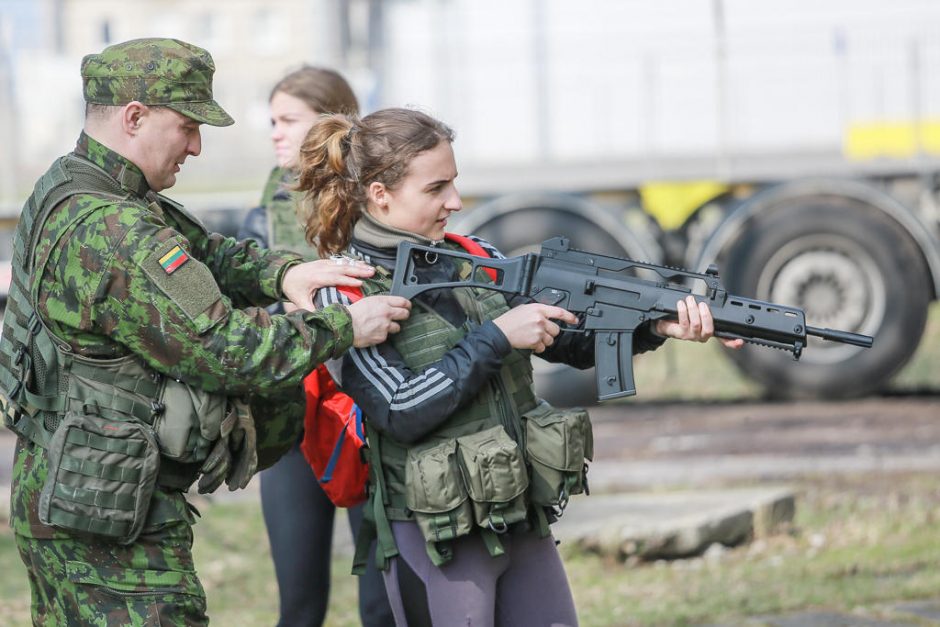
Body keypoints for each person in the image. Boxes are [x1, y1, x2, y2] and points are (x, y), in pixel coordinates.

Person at [0, 38, 411, 626]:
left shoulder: (73, 184)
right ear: (134, 116)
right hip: (107, 522)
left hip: (62, 482)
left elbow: (202, 252)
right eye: (187, 125)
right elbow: (228, 351)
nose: (196, 145)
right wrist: (345, 325)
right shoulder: (116, 228)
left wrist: (286, 271)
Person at [295, 107, 744, 626]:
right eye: (436, 188)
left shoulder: (475, 255)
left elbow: (566, 339)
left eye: (454, 183)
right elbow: (399, 409)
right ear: (380, 194)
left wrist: (653, 327)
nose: (455, 202)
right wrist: (498, 338)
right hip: (437, 538)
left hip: (520, 518)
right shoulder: (343, 292)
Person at [238, 66, 393, 627]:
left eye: (289, 121)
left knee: (383, 603)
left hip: (368, 410)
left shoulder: (381, 199)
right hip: (296, 411)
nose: (276, 134)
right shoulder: (272, 196)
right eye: (272, 121)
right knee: (298, 605)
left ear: (331, 123)